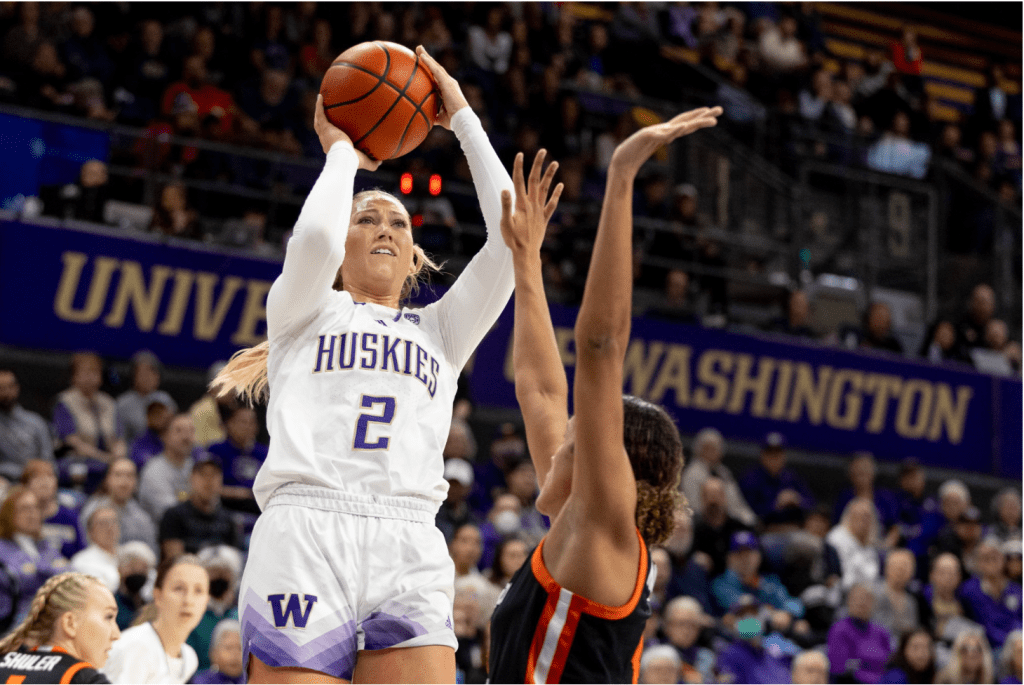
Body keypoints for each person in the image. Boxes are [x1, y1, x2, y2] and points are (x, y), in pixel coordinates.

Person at [212, 46, 526, 684]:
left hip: (407, 538)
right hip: (305, 528)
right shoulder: (303, 310)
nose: (385, 227)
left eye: (399, 222)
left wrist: (460, 114)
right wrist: (343, 155)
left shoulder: (442, 327)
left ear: (414, 254)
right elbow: (317, 239)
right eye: (367, 217)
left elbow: (515, 235)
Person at [488, 106, 721, 683]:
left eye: (577, 437)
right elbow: (540, 390)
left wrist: (619, 177)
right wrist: (526, 260)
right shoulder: (580, 520)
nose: (563, 435)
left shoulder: (605, 528)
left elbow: (599, 346)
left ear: (608, 462)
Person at [102, 555, 209, 683]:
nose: (188, 600)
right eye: (179, 588)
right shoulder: (136, 647)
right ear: (158, 595)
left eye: (198, 591)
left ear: (206, 601)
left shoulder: (189, 657)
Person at [0, 572, 120, 684]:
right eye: (108, 617)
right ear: (70, 623)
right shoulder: (83, 678)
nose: (116, 635)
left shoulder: (4, 661)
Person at [52, 352, 126, 492]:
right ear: (74, 376)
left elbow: (119, 439)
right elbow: (72, 441)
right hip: (78, 461)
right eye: (85, 372)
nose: (90, 377)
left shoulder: (109, 403)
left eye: (95, 372)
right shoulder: (65, 402)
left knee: (125, 469)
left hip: (108, 462)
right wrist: (103, 458)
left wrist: (119, 455)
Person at [0, 486, 70, 624]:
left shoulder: (45, 546)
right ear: (9, 513)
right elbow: (19, 580)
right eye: (25, 508)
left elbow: (69, 574)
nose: (32, 514)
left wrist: (35, 569)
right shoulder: (2, 547)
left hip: (50, 620)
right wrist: (50, 568)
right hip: (14, 624)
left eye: (35, 508)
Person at [158, 455, 240, 559]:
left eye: (214, 475)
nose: (208, 480)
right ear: (191, 478)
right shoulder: (174, 515)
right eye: (203, 474)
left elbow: (232, 561)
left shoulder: (228, 520)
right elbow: (174, 561)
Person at [680, 427, 757, 527]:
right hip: (702, 523)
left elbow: (737, 502)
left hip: (731, 521)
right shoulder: (691, 474)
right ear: (698, 450)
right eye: (707, 448)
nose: (712, 452)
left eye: (715, 448)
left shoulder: (724, 472)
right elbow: (693, 508)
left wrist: (751, 520)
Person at [79, 458, 157, 554]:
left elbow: (152, 553)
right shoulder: (93, 511)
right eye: (118, 475)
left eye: (129, 476)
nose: (124, 482)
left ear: (136, 482)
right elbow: (84, 547)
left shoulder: (142, 517)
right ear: (107, 480)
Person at [959, 537, 1023, 652]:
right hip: (987, 650)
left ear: (1003, 560)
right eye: (985, 558)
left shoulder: (1016, 590)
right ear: (977, 563)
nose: (991, 562)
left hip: (1017, 647)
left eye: (995, 557)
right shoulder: (968, 590)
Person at [187, 546, 243, 673]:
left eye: (224, 572)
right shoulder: (191, 616)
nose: (219, 577)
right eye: (214, 572)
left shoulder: (240, 616)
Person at [826, 583, 893, 684]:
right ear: (848, 602)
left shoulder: (881, 632)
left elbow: (890, 663)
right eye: (856, 598)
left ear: (874, 604)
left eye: (867, 598)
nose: (861, 602)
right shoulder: (839, 630)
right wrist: (876, 680)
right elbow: (839, 668)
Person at [739, 432, 814, 520]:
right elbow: (747, 512)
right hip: (764, 529)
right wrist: (776, 504)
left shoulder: (791, 477)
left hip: (794, 528)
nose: (774, 458)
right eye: (770, 453)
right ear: (762, 455)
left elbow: (812, 504)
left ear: (784, 456)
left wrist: (797, 500)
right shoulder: (751, 479)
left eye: (777, 454)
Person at [137, 414, 196, 524]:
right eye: (179, 431)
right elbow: (172, 515)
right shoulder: (153, 471)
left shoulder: (195, 467)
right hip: (159, 536)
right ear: (164, 436)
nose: (186, 437)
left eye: (191, 431)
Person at [204, 407, 266, 511]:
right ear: (229, 424)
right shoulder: (216, 450)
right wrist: (238, 493)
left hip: (257, 506)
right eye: (243, 422)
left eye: (252, 422)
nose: (248, 426)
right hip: (224, 506)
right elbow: (207, 486)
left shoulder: (264, 452)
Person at [0, 369, 55, 482]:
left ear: (17, 388)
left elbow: (48, 459)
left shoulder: (35, 422)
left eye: (9, 387)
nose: (5, 393)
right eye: (1, 388)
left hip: (35, 481)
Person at [114, 352, 177, 448]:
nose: (147, 377)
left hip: (163, 450)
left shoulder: (165, 400)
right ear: (134, 376)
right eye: (142, 373)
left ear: (158, 377)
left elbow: (174, 432)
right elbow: (120, 438)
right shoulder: (123, 403)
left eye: (152, 372)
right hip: (134, 451)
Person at [827, 497, 882, 590]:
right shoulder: (837, 537)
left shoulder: (870, 547)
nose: (863, 521)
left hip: (867, 594)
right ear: (849, 516)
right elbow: (840, 577)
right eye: (858, 515)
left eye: (867, 517)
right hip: (841, 592)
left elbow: (873, 577)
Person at [661, 596, 715, 683]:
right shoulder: (655, 655)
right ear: (667, 626)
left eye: (692, 625)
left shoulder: (707, 657)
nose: (686, 631)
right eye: (680, 624)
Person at [872, 548, 920, 642]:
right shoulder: (873, 593)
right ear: (886, 568)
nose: (900, 571)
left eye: (905, 568)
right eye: (896, 567)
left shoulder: (911, 602)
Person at [70, 506, 120, 593]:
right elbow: (98, 593)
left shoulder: (127, 555)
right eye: (103, 523)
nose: (110, 528)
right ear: (90, 532)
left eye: (113, 522)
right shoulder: (81, 561)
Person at [113, 541, 156, 631]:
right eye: (133, 567)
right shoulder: (111, 604)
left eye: (143, 569)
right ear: (120, 569)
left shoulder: (148, 604)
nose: (138, 572)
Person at [193, 619, 243, 684]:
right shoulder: (199, 682)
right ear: (213, 653)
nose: (235, 654)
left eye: (240, 648)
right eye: (229, 648)